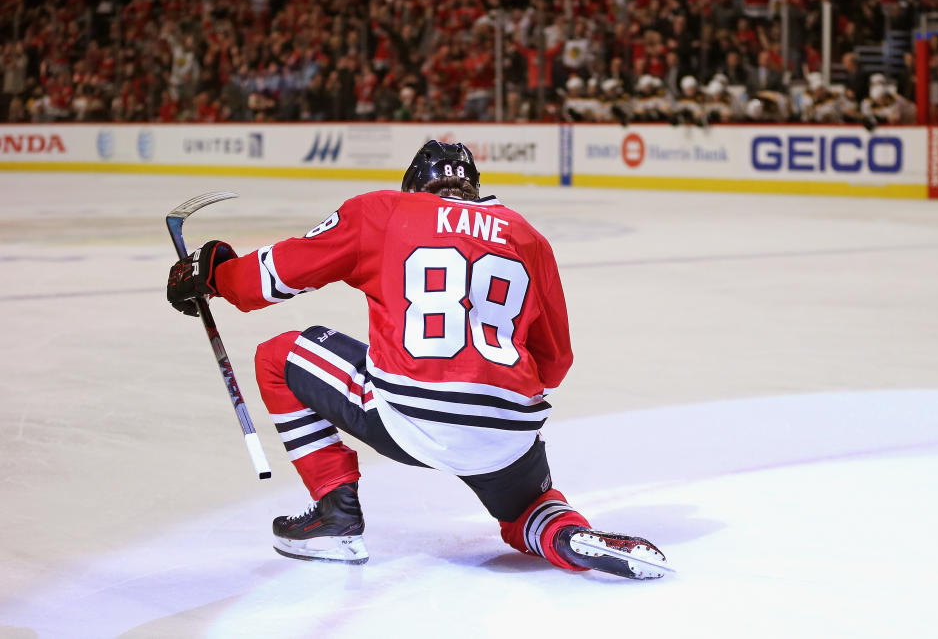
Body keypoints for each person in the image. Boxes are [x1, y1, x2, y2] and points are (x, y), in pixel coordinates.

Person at [166, 141, 670, 581]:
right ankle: (563, 537)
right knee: (530, 509)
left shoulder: (384, 212)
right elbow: (556, 361)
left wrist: (214, 272)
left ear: (413, 187)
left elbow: (270, 280)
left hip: (407, 420)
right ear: (474, 188)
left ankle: (335, 518)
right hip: (507, 430)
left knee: (277, 357)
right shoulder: (525, 235)